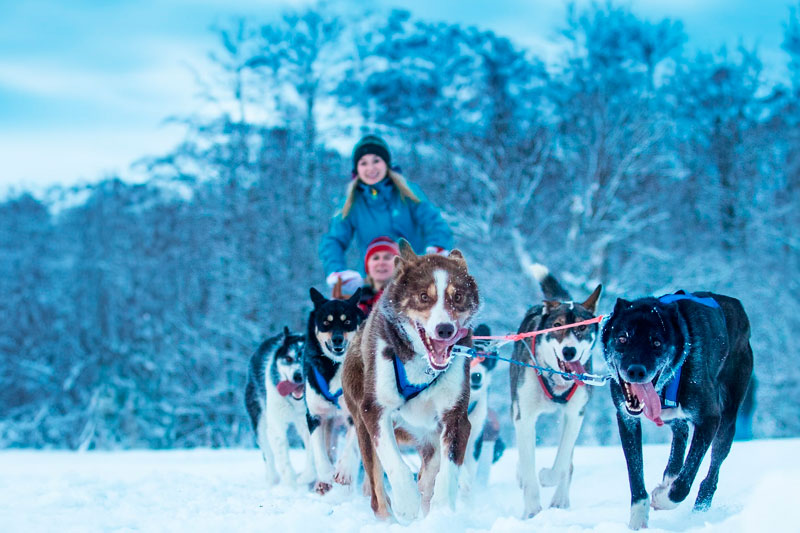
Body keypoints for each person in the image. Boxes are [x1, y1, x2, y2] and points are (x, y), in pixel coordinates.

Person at [319, 134, 453, 296]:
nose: (371, 168)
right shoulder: (352, 204)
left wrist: (437, 249)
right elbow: (333, 240)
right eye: (363, 163)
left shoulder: (408, 194)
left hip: (414, 280)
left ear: (386, 164)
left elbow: (434, 223)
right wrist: (336, 270)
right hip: (374, 283)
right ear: (356, 169)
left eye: (376, 160)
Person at [358, 236, 400, 316]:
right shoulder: (357, 302)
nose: (381, 262)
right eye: (376, 258)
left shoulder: (408, 299)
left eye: (387, 258)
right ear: (367, 266)